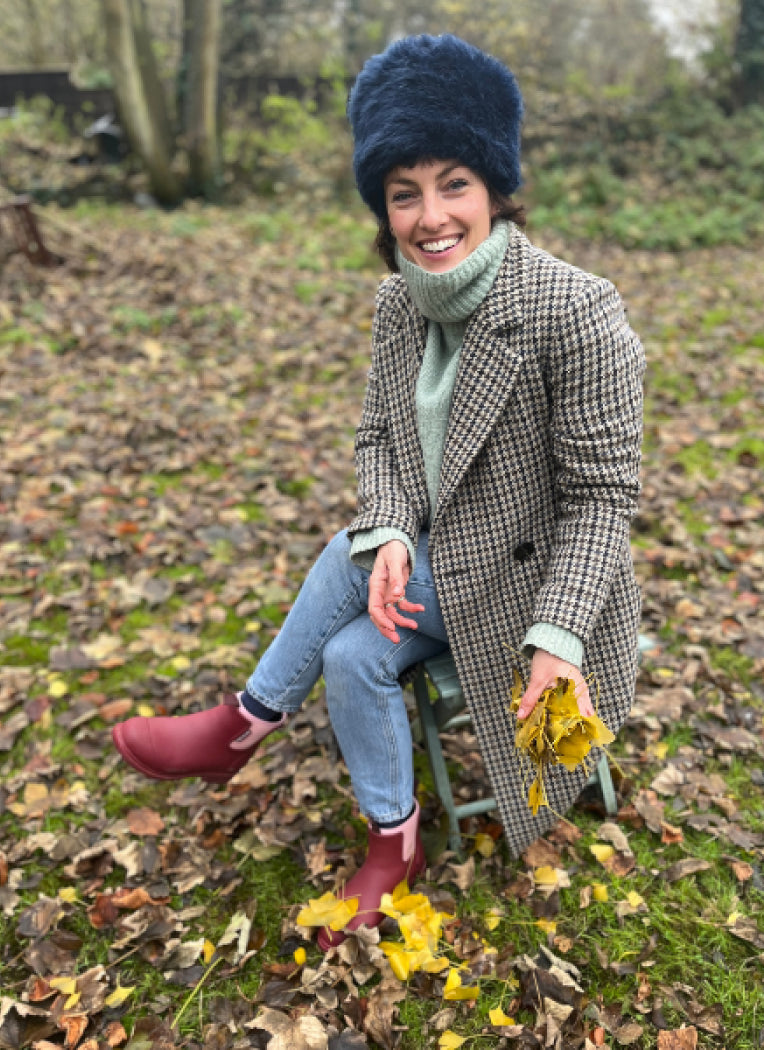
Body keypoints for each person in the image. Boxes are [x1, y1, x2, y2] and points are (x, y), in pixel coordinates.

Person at [112, 33, 644, 949]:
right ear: (382, 207)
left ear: (495, 191)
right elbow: (378, 438)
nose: (430, 216)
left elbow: (601, 498)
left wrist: (558, 637)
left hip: (536, 588)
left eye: (454, 185)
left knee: (339, 556)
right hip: (435, 567)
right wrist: (391, 529)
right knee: (353, 654)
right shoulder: (400, 303)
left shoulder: (575, 308)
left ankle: (241, 726)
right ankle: (393, 843)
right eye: (405, 193)